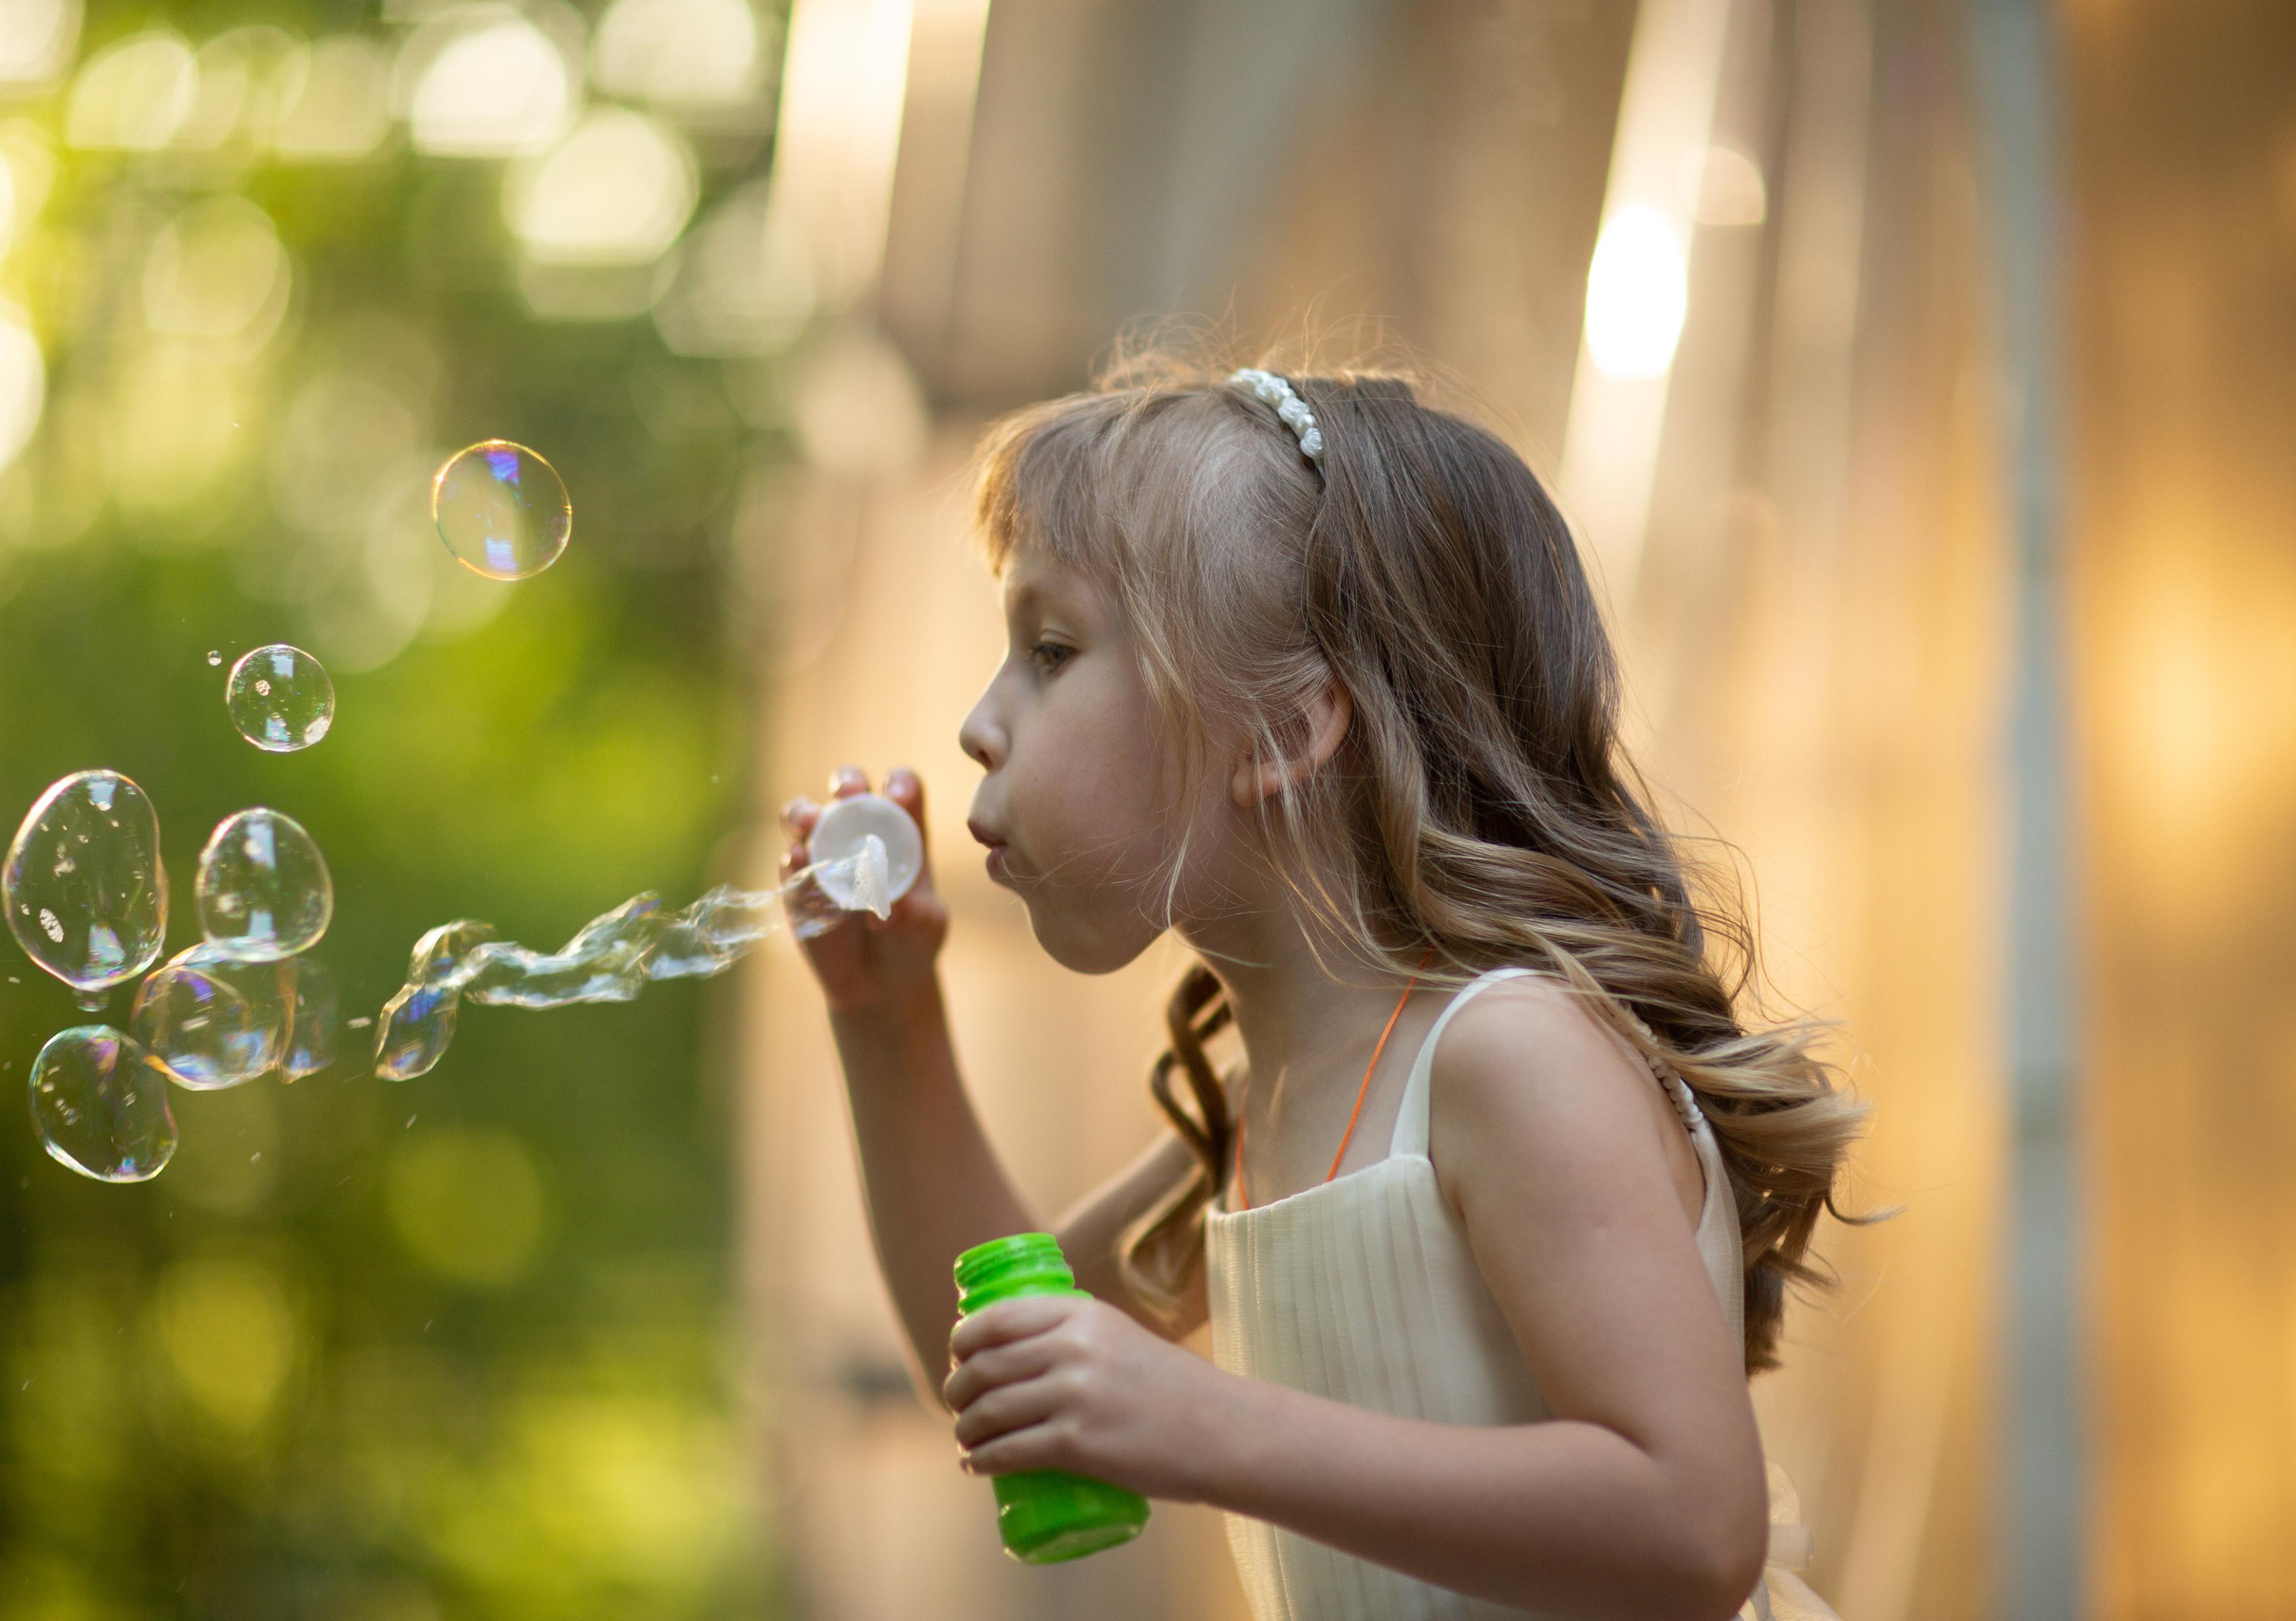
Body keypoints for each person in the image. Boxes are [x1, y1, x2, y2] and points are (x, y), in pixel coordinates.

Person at [777, 353, 1866, 1621]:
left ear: (1284, 735)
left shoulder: (1508, 1055)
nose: (978, 721)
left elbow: (1692, 1526)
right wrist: (887, 1020)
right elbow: (995, 1362)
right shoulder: (1269, 1097)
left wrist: (1206, 1423)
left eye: (1052, 649)